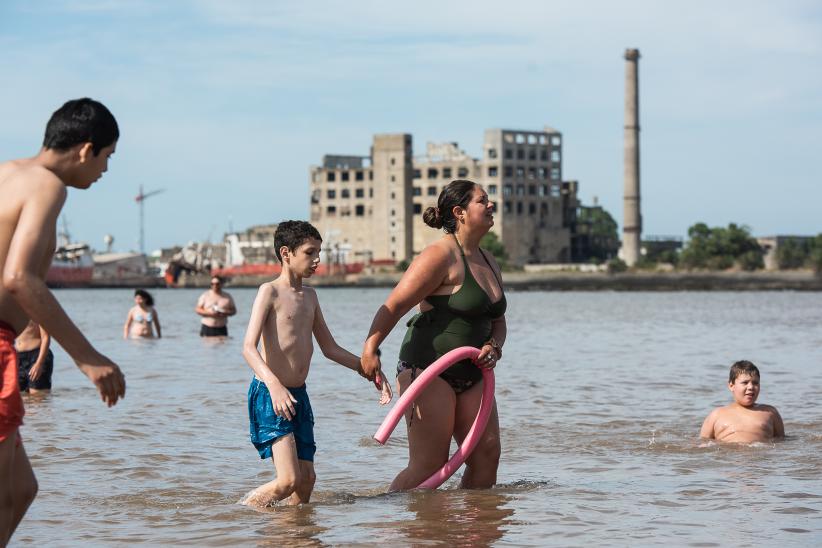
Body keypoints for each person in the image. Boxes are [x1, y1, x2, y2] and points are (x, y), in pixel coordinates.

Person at [0, 98, 126, 546]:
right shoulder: (47, 186)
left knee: (21, 489)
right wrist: (88, 359)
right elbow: (19, 278)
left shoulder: (8, 172)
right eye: (107, 158)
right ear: (85, 150)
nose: (105, 171)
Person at [361, 179, 506, 491]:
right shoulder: (439, 255)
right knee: (430, 465)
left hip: (475, 372)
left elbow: (498, 320)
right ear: (460, 212)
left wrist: (494, 345)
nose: (491, 205)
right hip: (427, 370)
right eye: (483, 201)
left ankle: (471, 531)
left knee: (487, 454)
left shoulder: (490, 259)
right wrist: (371, 346)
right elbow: (395, 304)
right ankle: (391, 520)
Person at [241, 220, 391, 508]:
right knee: (288, 481)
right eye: (310, 253)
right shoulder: (268, 291)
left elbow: (330, 348)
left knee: (307, 479)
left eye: (318, 252)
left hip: (299, 395)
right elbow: (248, 348)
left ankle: (292, 533)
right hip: (271, 394)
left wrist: (369, 371)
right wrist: (274, 386)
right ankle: (240, 514)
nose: (317, 260)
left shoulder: (310, 296)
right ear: (286, 253)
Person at [699, 360, 784, 443]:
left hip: (758, 455)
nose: (751, 387)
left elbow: (782, 442)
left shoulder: (770, 413)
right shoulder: (717, 414)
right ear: (731, 386)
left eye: (755, 383)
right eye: (745, 382)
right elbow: (703, 443)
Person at [15, 321, 54, 394]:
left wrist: (39, 363)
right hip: (17, 357)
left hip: (36, 356)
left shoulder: (36, 312)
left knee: (38, 396)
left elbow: (45, 337)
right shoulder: (14, 312)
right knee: (20, 397)